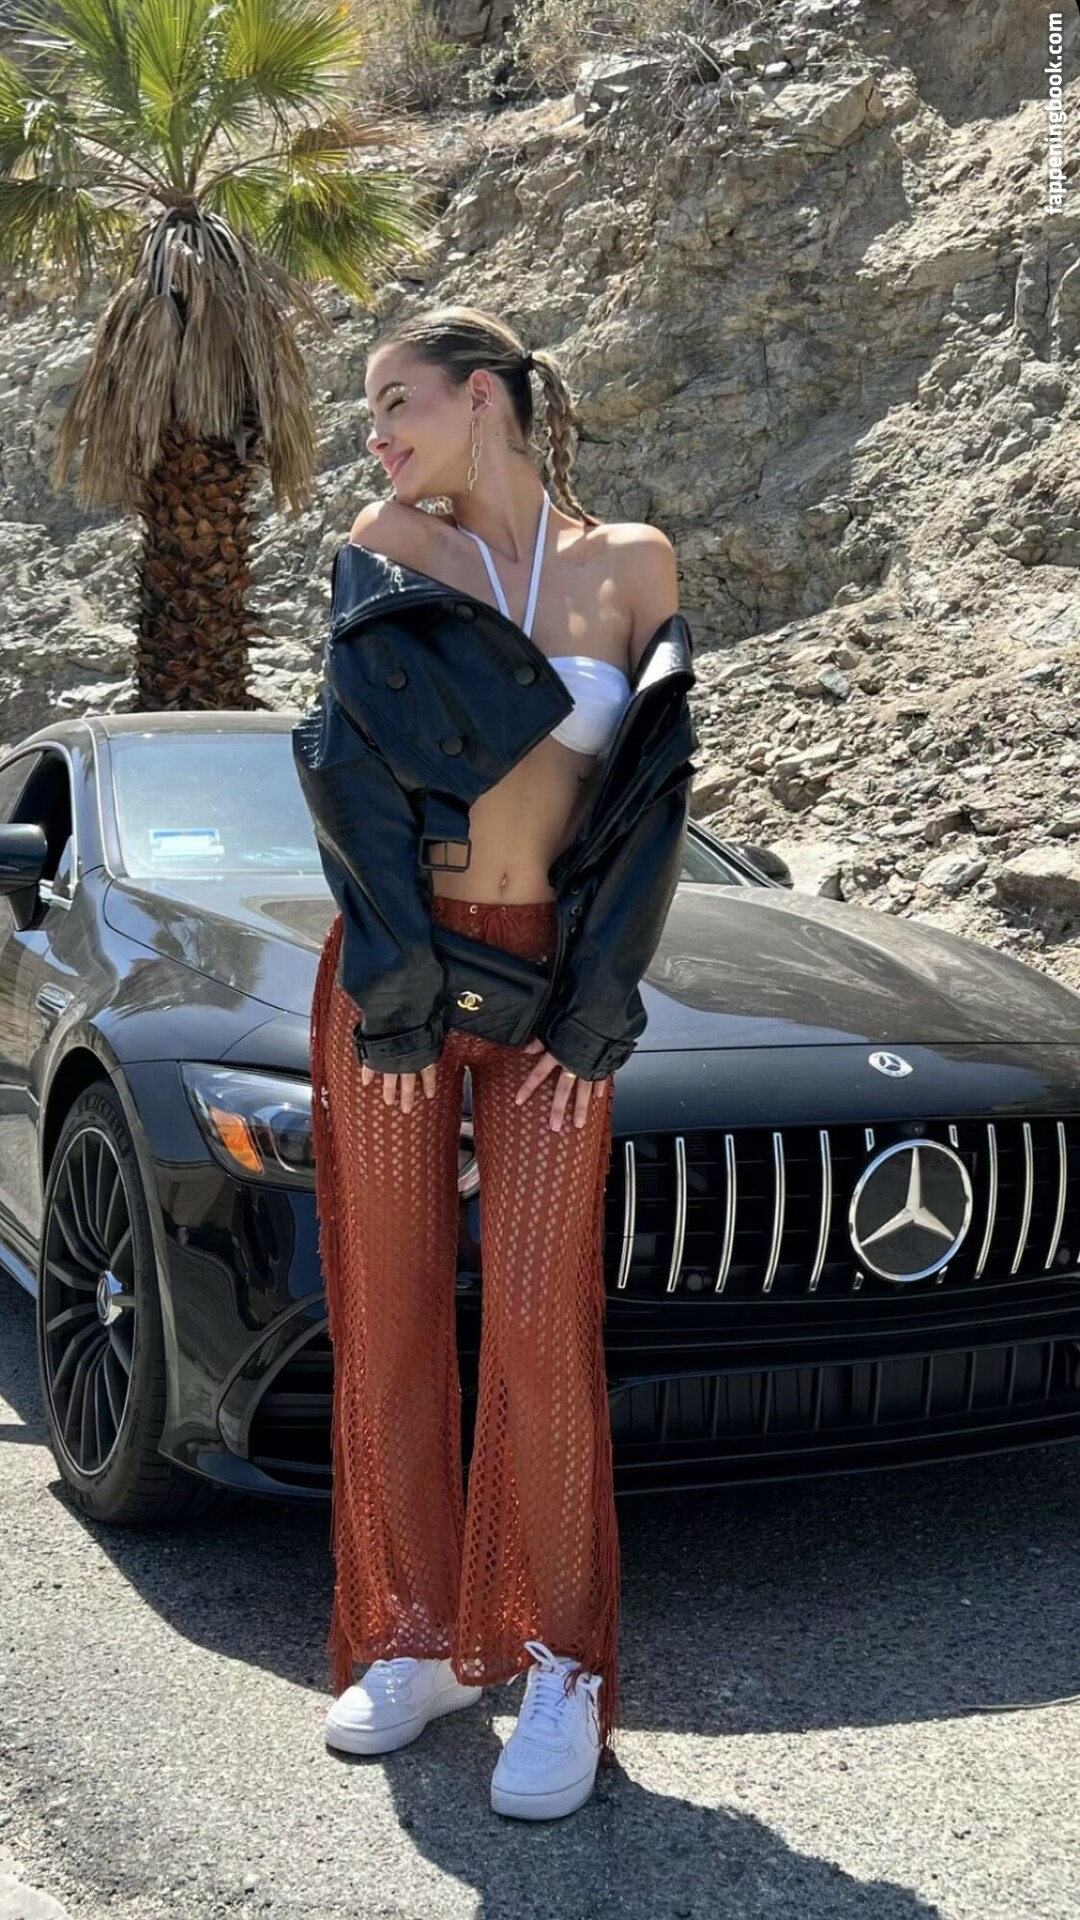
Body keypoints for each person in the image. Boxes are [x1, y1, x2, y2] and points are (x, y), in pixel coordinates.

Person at [292, 304, 697, 1822]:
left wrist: (599, 1007)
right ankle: (413, 1636)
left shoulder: (633, 564)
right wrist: (397, 992)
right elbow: (345, 774)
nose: (376, 439)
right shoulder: (387, 544)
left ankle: (560, 1664)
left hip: (553, 979)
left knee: (538, 1321)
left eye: (394, 403)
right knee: (392, 1308)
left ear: (481, 399)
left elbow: (654, 797)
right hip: (396, 967)